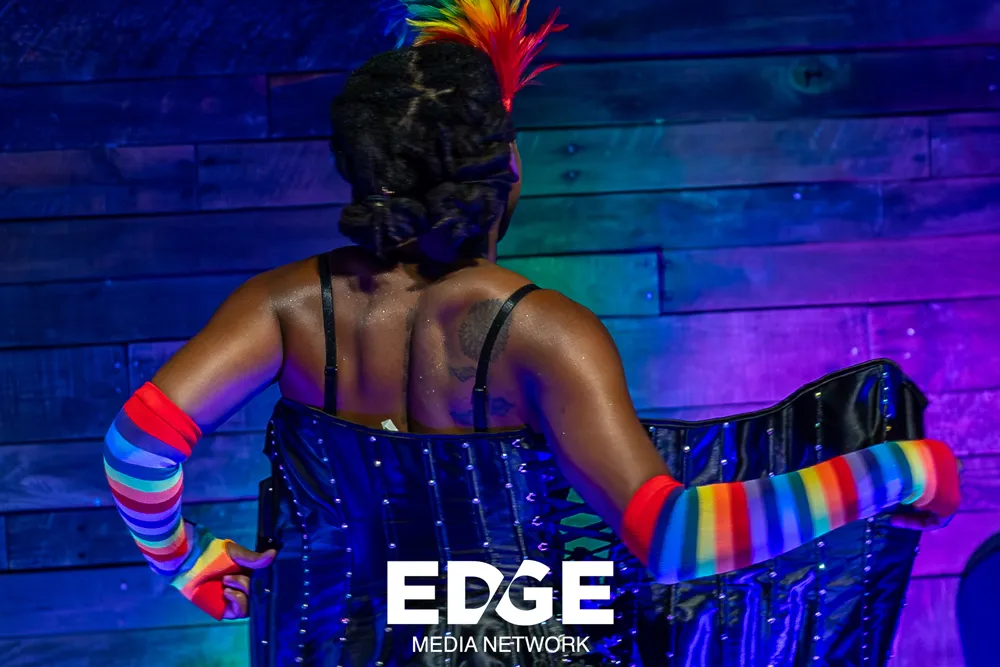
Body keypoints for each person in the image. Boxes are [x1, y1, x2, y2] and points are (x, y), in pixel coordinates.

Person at [101, 2, 961, 665]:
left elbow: (138, 450)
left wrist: (184, 562)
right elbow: (673, 538)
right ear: (508, 166)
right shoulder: (543, 333)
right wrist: (899, 469)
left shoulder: (286, 305)